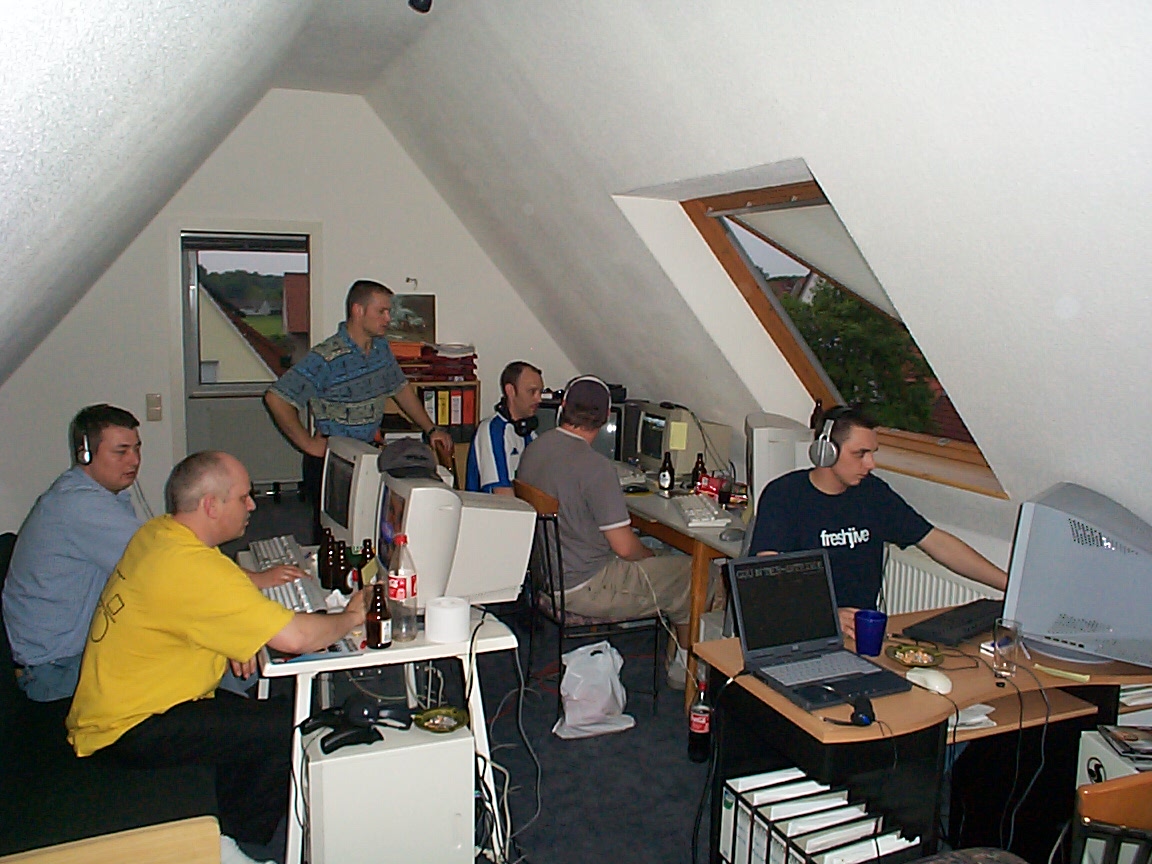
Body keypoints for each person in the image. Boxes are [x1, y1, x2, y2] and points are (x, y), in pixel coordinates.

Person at [66, 451, 366, 851]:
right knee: (289, 725)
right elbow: (297, 638)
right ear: (211, 505)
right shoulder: (193, 568)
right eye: (243, 497)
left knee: (253, 718)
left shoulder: (159, 534)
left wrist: (234, 631)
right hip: (130, 728)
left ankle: (228, 823)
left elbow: (201, 591)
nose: (252, 505)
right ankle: (238, 847)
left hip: (118, 708)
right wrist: (351, 616)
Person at [749, 406, 1007, 637]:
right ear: (825, 451)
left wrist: (1010, 586)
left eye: (872, 453)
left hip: (858, 631)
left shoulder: (873, 494)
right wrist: (825, 613)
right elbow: (768, 577)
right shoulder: (785, 495)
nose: (871, 464)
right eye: (860, 454)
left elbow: (938, 543)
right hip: (801, 628)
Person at [516, 375, 698, 688]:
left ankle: (675, 657)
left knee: (665, 563)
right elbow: (625, 549)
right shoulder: (595, 467)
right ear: (603, 419)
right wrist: (650, 556)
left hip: (547, 579)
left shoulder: (535, 449)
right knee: (694, 574)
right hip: (585, 586)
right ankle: (685, 673)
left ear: (563, 406)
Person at [264, 279, 453, 520]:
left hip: (368, 456)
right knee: (333, 533)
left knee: (367, 528)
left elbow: (400, 389)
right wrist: (308, 445)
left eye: (389, 312)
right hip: (334, 462)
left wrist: (431, 429)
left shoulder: (380, 349)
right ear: (358, 310)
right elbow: (276, 399)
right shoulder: (327, 356)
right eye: (381, 311)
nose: (388, 319)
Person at [2, 405, 143, 702]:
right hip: (56, 670)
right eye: (121, 451)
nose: (134, 460)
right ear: (85, 454)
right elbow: (160, 565)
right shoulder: (79, 505)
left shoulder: (103, 497)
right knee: (188, 662)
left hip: (67, 656)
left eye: (136, 449)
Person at [465, 360, 544, 495]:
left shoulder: (529, 433)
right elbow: (501, 493)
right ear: (510, 391)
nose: (539, 399)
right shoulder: (491, 431)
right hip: (494, 507)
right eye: (532, 392)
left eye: (540, 392)